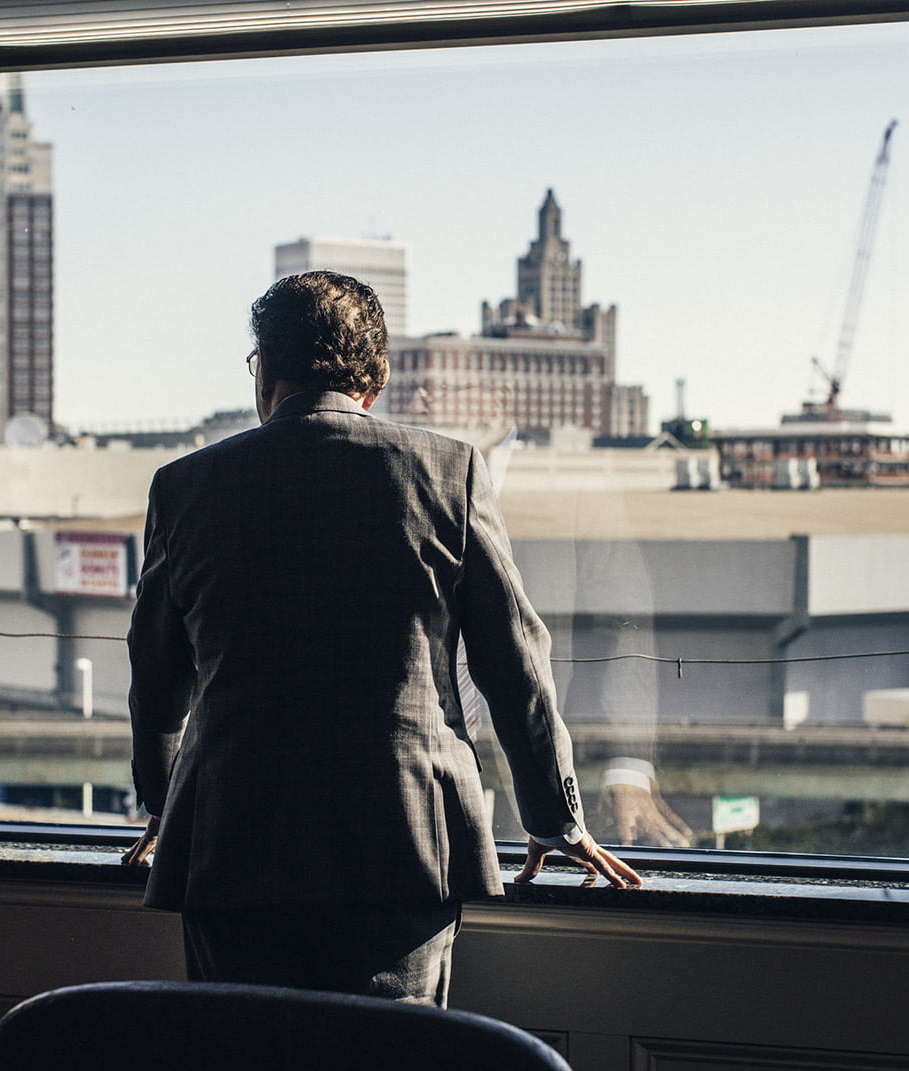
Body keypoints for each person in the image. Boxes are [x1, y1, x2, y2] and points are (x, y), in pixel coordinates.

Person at [122, 271, 639, 1006]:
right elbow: (514, 663)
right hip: (402, 844)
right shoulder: (450, 472)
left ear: (264, 370)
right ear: (378, 376)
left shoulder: (183, 486)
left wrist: (159, 801)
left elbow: (156, 672)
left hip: (230, 842)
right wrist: (554, 818)